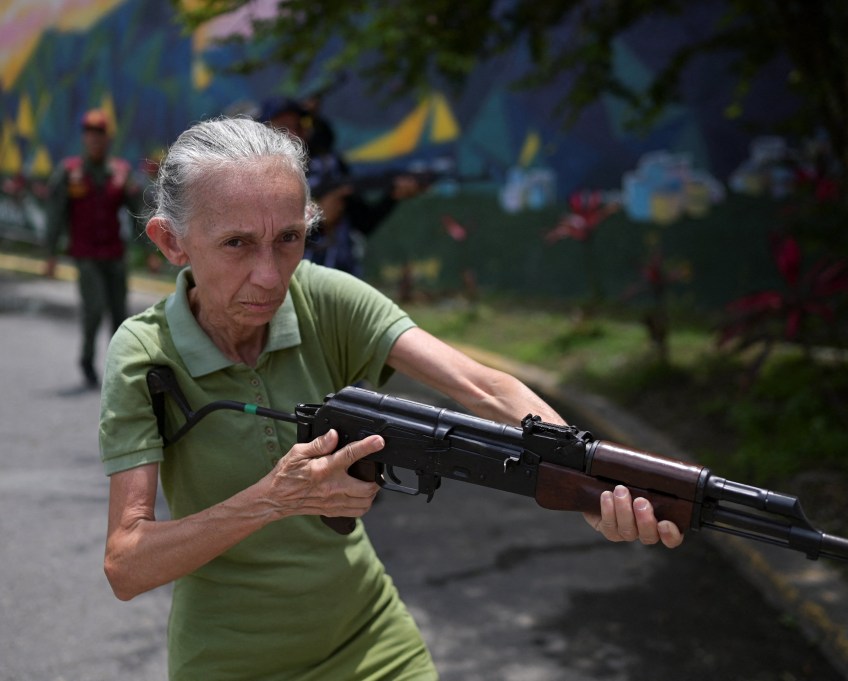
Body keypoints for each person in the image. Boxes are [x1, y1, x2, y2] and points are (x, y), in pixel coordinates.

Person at [99, 117, 683, 681]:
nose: (271, 276)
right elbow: (126, 564)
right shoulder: (145, 356)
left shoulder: (323, 299)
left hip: (372, 643)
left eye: (289, 239)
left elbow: (482, 386)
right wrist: (272, 499)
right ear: (171, 242)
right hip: (229, 666)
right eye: (236, 244)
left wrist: (590, 483)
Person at [258, 96, 422, 277]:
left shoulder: (331, 167)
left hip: (341, 279)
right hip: (288, 283)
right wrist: (317, 222)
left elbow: (363, 223)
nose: (294, 134)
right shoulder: (253, 177)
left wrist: (392, 197)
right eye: (283, 127)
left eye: (299, 126)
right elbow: (258, 238)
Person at [45, 108, 145, 387]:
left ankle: (120, 365)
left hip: (114, 254)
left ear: (108, 139)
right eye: (90, 135)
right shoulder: (70, 173)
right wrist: (51, 252)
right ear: (84, 139)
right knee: (94, 307)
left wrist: (150, 251)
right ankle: (87, 360)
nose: (95, 140)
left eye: (100, 134)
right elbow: (55, 214)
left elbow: (138, 213)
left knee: (119, 312)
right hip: (86, 254)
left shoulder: (120, 173)